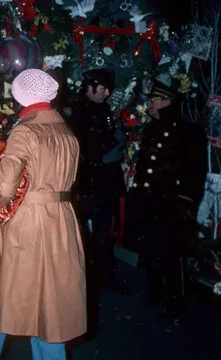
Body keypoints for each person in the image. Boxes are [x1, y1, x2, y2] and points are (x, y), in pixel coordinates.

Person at [0, 69, 86, 360]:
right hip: (61, 220)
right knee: (52, 306)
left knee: (7, 299)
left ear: (21, 96)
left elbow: (6, 184)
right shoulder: (67, 130)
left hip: (29, 222)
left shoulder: (26, 130)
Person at [124, 80, 207, 320]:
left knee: (172, 253)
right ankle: (155, 292)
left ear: (166, 101)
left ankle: (174, 302)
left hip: (171, 203)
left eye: (154, 99)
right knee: (152, 249)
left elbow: (194, 172)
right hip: (150, 200)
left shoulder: (189, 133)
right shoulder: (152, 129)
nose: (149, 103)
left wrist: (186, 201)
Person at [70, 69, 127, 293]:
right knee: (79, 234)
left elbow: (107, 136)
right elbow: (80, 147)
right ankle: (78, 282)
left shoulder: (103, 109)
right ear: (91, 87)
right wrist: (105, 152)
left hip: (102, 182)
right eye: (103, 89)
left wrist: (117, 140)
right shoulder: (77, 110)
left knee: (103, 234)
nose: (107, 93)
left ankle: (105, 279)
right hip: (83, 182)